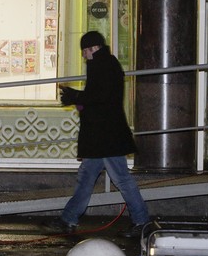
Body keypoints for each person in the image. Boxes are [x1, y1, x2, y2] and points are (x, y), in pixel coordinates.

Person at [45, 31, 150, 238]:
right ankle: (69, 218)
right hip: (104, 136)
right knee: (88, 177)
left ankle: (142, 222)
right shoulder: (105, 64)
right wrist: (78, 97)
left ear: (93, 48)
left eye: (84, 50)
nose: (84, 55)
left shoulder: (103, 65)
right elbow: (100, 97)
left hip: (105, 137)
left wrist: (76, 96)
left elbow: (101, 97)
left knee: (121, 179)